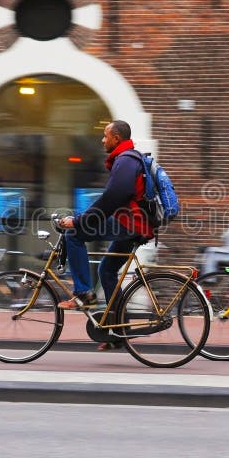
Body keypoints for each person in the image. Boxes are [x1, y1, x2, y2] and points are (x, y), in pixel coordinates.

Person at [56, 120, 155, 350]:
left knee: (74, 235)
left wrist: (79, 221)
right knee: (107, 270)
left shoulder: (126, 160)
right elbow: (110, 198)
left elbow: (113, 197)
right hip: (133, 224)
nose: (102, 139)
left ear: (116, 138)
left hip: (129, 223)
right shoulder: (127, 160)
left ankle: (83, 293)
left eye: (105, 135)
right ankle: (119, 331)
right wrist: (85, 216)